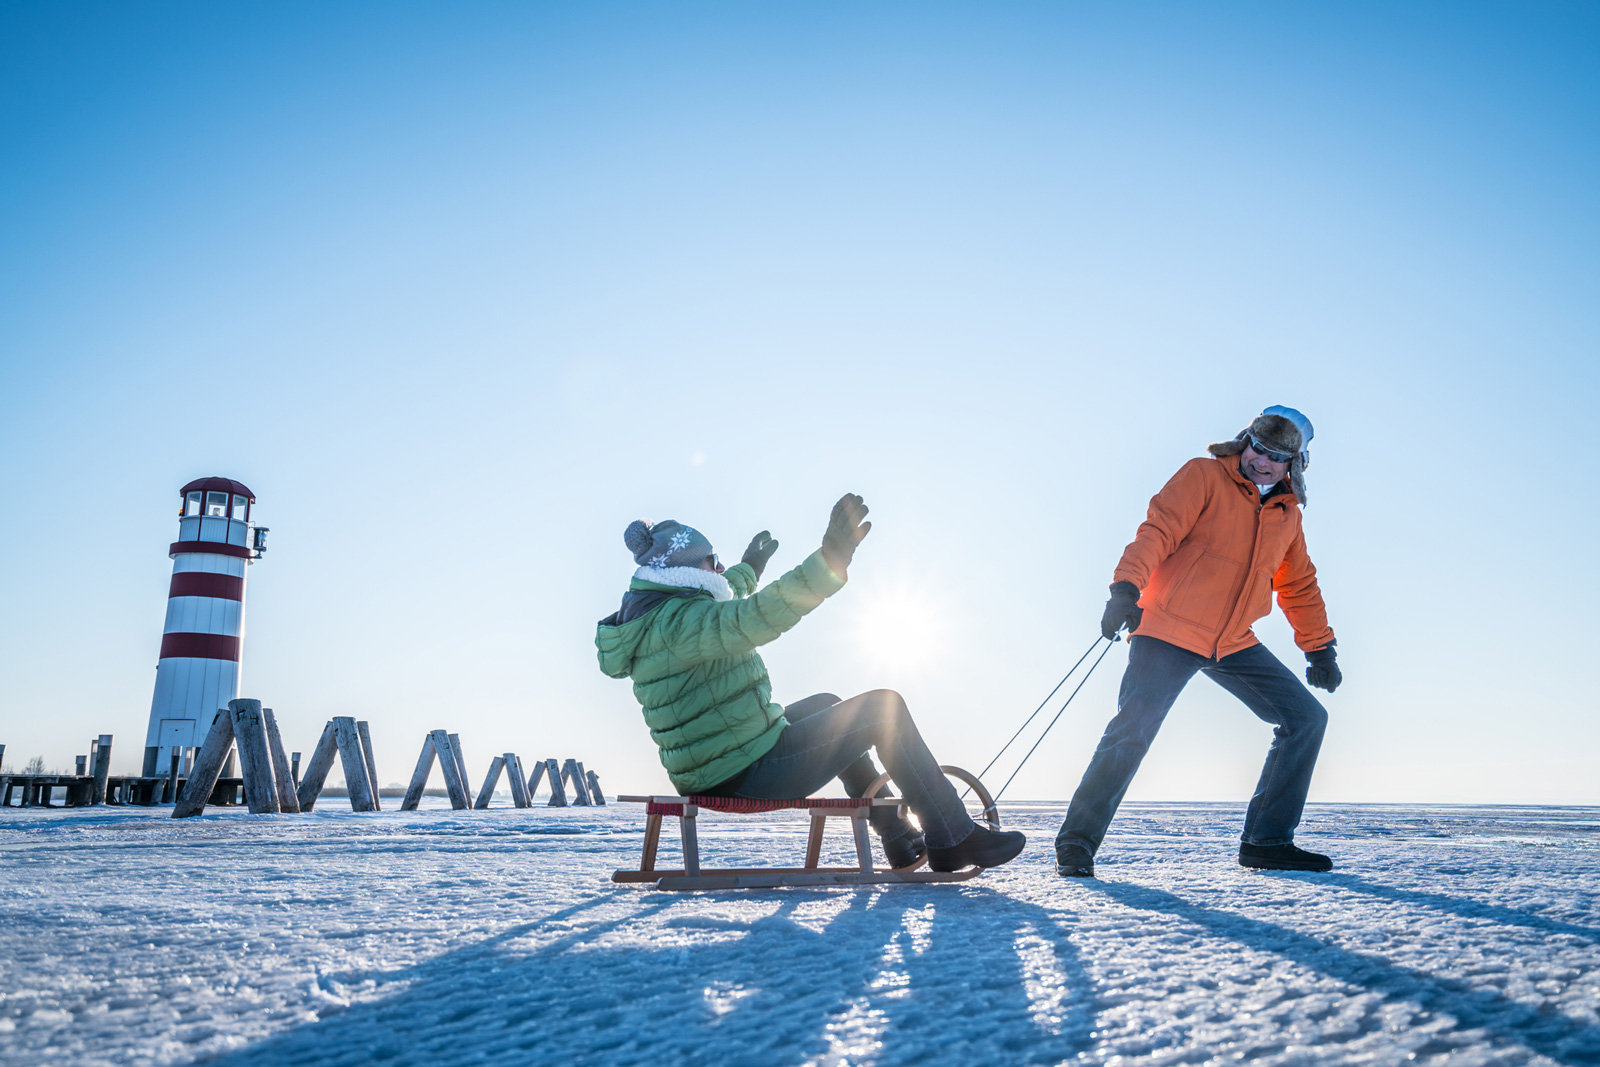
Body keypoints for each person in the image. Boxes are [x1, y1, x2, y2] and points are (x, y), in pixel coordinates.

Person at [596, 493, 1026, 872]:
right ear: (689, 572)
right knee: (883, 708)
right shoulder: (685, 622)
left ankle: (897, 836)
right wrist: (830, 561)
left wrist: (750, 568)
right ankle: (951, 836)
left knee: (829, 704)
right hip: (744, 773)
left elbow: (725, 605)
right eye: (712, 561)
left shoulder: (657, 616)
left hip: (714, 765)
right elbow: (753, 617)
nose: (720, 568)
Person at [1055, 406, 1341, 877]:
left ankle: (1266, 841)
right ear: (1244, 441)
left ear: (1296, 463)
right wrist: (1126, 588)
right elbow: (1159, 530)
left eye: (1276, 456)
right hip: (1169, 625)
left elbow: (1298, 585)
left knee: (1305, 718)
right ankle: (1077, 843)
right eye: (1258, 447)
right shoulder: (1204, 476)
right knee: (1133, 729)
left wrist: (1319, 647)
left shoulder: (1287, 516)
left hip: (1231, 640)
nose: (1262, 460)